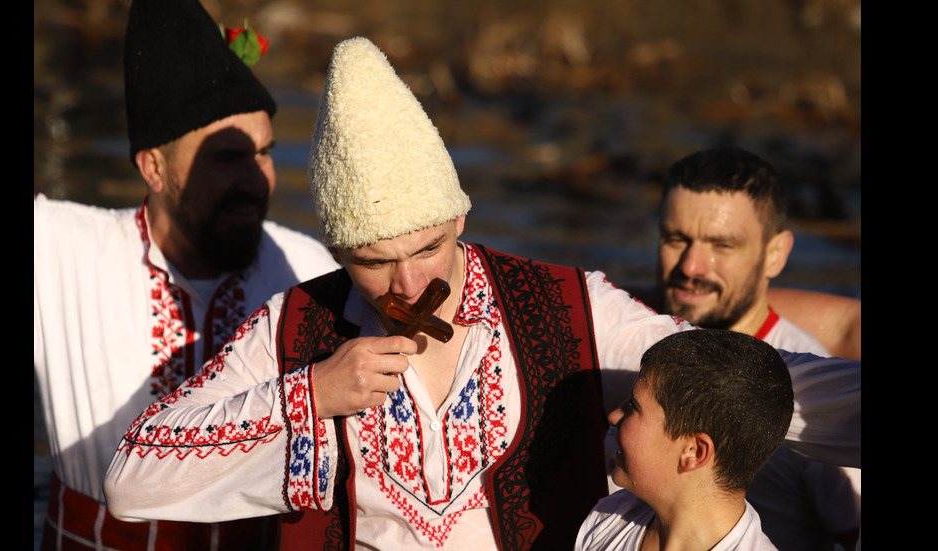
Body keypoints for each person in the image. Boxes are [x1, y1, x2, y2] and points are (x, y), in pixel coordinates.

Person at [103, 37, 861, 551]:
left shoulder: (566, 305)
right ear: (336, 250)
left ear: (461, 217)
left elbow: (756, 393)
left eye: (428, 246)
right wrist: (309, 393)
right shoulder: (295, 329)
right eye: (371, 260)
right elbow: (130, 480)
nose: (406, 283)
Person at [33, 1, 339, 549]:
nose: (258, 180)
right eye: (227, 158)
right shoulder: (58, 249)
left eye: (265, 153)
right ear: (153, 167)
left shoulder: (311, 271)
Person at [647, 147, 861, 550]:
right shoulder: (629, 336)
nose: (691, 266)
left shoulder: (816, 396)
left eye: (722, 245)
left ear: (775, 254)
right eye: (675, 239)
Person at [576, 329, 793, 551]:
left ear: (694, 452)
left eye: (633, 406)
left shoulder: (613, 518)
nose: (613, 415)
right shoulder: (610, 517)